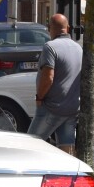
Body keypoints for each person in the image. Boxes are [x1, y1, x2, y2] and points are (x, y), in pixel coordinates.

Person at [29, 14, 82, 155]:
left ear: (49, 29)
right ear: (68, 28)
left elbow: (48, 77)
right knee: (67, 148)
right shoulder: (79, 48)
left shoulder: (50, 47)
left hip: (52, 106)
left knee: (30, 144)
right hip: (72, 107)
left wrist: (39, 97)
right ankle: (70, 175)